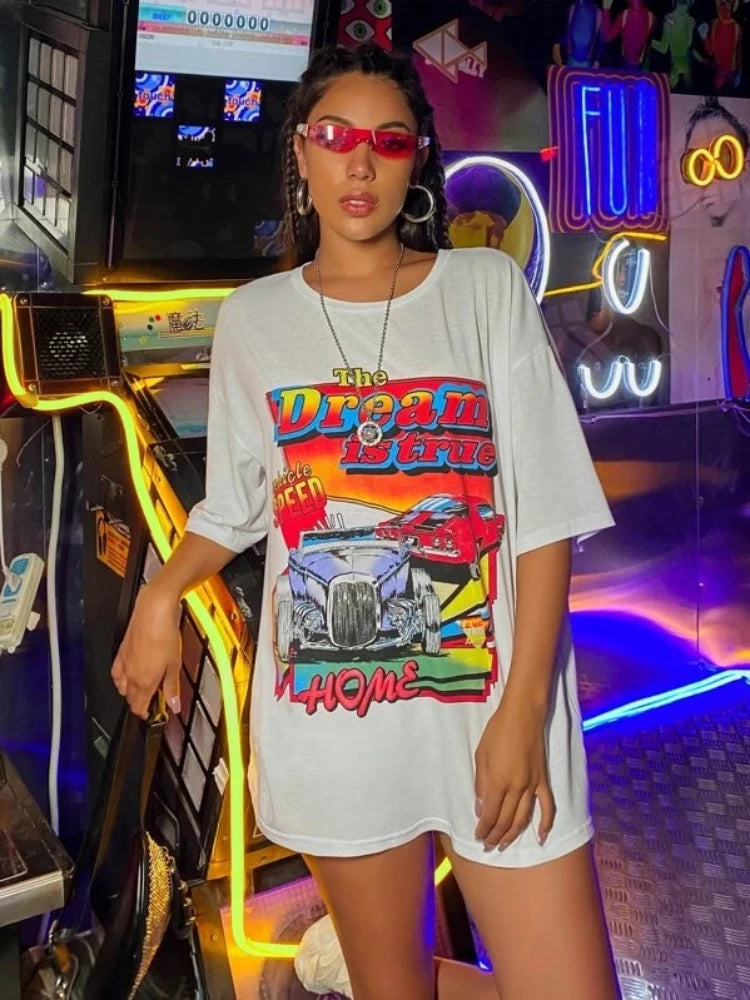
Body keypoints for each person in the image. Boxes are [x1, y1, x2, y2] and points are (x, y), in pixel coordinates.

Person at [111, 42, 621, 1000]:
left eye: (388, 140)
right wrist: (161, 595)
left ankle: (350, 965)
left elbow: (547, 508)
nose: (360, 161)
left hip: (494, 710)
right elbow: (239, 503)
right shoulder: (254, 319)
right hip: (341, 731)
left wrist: (521, 713)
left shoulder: (483, 290)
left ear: (416, 159)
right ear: (301, 154)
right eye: (335, 136)